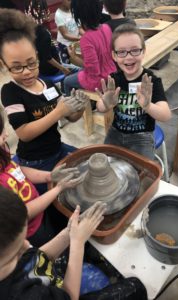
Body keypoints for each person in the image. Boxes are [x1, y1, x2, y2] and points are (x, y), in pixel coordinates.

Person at [0, 8, 89, 195]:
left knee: (87, 166)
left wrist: (79, 107)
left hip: (57, 147)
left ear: (38, 58)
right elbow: (24, 133)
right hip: (35, 162)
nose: (26, 71)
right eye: (17, 67)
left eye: (31, 63)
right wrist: (58, 112)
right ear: (4, 65)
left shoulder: (46, 83)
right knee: (57, 198)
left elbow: (70, 118)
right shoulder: (10, 92)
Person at [0, 186, 111, 300]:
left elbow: (37, 258)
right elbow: (70, 297)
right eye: (16, 253)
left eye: (23, 238)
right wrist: (77, 243)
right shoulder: (22, 296)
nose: (27, 245)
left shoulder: (6, 261)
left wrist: (68, 233)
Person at [0, 106, 84, 247]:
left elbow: (16, 169)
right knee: (52, 248)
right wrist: (57, 189)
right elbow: (23, 213)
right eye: (1, 132)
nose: (6, 134)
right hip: (29, 230)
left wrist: (49, 176)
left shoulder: (2, 150)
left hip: (39, 205)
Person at [96, 24, 171, 160]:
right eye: (122, 52)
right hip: (115, 133)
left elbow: (166, 115)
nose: (128, 57)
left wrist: (148, 106)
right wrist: (105, 104)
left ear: (143, 51)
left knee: (142, 172)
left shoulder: (151, 80)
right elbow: (100, 107)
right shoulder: (114, 80)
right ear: (114, 55)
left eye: (135, 50)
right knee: (105, 167)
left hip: (142, 137)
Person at [64, 0, 117, 95]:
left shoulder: (86, 38)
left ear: (79, 16)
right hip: (112, 72)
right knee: (80, 72)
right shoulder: (106, 27)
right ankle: (90, 102)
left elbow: (94, 70)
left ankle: (73, 108)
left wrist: (74, 58)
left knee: (67, 81)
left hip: (99, 81)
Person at [25, 0, 78, 77]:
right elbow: (47, 57)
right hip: (52, 69)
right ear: (43, 12)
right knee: (79, 71)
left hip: (42, 66)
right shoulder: (43, 33)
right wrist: (63, 69)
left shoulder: (30, 29)